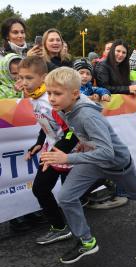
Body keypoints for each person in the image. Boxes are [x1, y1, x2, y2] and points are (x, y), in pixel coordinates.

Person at [40, 67, 136, 264]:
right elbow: (81, 133)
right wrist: (83, 143)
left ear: (75, 94)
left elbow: (107, 152)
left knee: (135, 193)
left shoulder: (86, 115)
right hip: (93, 160)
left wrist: (67, 158)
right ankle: (87, 242)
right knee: (66, 197)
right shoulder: (66, 108)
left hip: (116, 163)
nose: (51, 98)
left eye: (57, 93)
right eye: (49, 93)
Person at [18, 56, 79, 245]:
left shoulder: (50, 99)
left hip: (68, 149)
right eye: (20, 78)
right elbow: (46, 125)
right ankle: (62, 227)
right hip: (53, 148)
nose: (24, 83)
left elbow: (73, 131)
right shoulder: (34, 97)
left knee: (62, 192)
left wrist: (57, 153)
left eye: (29, 78)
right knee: (44, 189)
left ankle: (74, 231)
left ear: (43, 77)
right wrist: (38, 143)